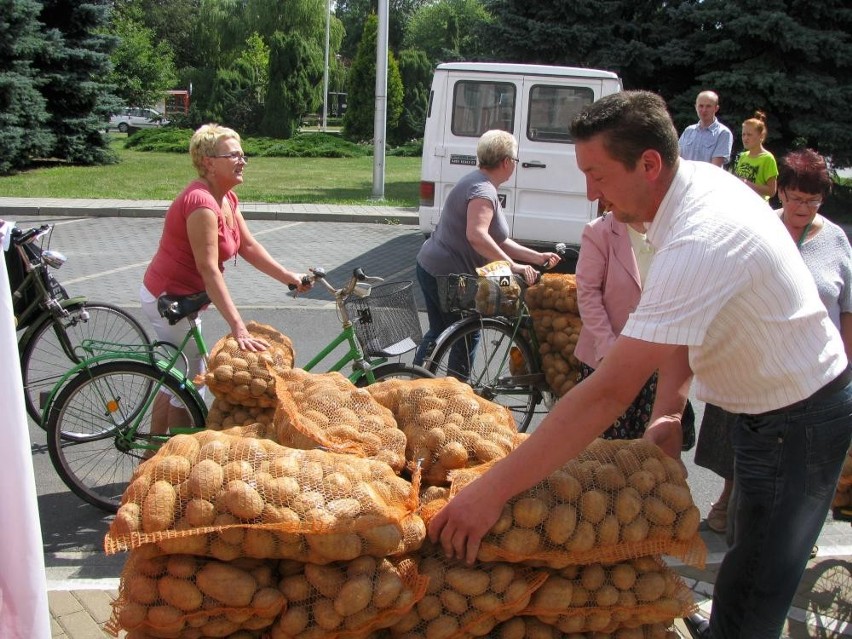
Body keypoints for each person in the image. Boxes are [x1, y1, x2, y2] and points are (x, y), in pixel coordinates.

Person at [427, 90, 852, 639]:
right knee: (747, 563)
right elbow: (678, 327)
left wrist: (489, 493)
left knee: (757, 586)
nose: (590, 193)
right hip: (762, 412)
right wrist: (669, 412)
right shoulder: (683, 195)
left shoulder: (700, 236)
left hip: (801, 419)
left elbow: (607, 394)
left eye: (597, 175)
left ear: (649, 164)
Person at [141, 124, 310, 434]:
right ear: (208, 162)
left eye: (243, 154)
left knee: (178, 377)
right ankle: (174, 455)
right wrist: (238, 327)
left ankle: (153, 453)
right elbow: (209, 270)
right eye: (233, 155)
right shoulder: (201, 204)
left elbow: (248, 246)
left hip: (188, 299)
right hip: (169, 298)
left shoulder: (226, 198)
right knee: (191, 382)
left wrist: (289, 277)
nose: (242, 160)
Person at [413, 129, 560, 365]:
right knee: (468, 333)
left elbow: (498, 240)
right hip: (448, 275)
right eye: (515, 160)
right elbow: (477, 236)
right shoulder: (483, 190)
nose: (515, 165)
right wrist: (513, 267)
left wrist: (537, 256)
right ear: (506, 162)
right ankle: (456, 395)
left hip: (431, 266)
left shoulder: (477, 181)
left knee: (439, 331)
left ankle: (416, 382)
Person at [574, 206, 658, 439]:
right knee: (600, 451)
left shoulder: (667, 231)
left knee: (644, 454)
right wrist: (608, 350)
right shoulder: (599, 231)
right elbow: (588, 293)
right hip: (605, 359)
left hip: (651, 363)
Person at [678, 90, 734, 167]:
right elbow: (677, 158)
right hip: (685, 178)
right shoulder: (688, 131)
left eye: (708, 106)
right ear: (696, 107)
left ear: (716, 108)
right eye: (701, 106)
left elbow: (715, 168)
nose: (704, 110)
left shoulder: (723, 133)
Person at [730, 111, 778, 200]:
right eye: (743, 135)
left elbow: (772, 191)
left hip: (757, 207)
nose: (745, 138)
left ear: (761, 136)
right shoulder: (742, 156)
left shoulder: (768, 158)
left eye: (749, 135)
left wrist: (747, 184)